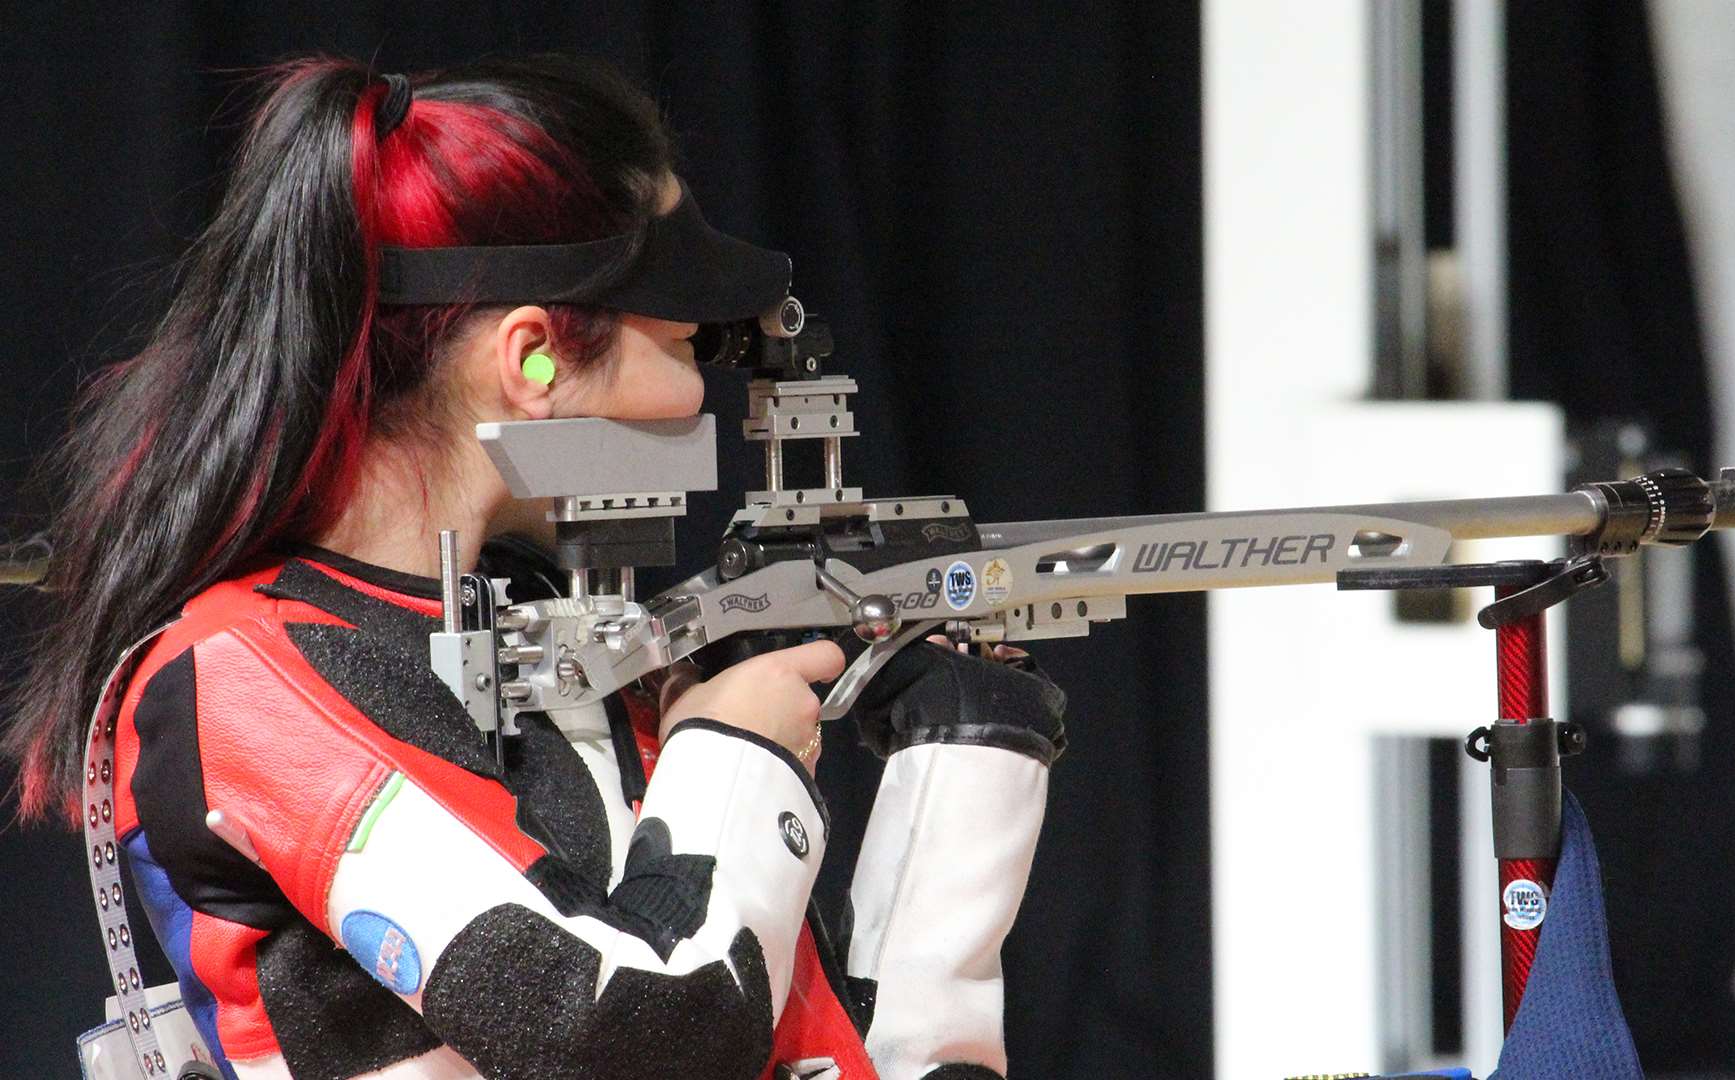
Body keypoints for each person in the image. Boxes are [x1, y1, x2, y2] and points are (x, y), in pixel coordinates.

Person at [5, 57, 1065, 1080]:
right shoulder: (236, 683)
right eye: (688, 344)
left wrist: (965, 768)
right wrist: (737, 755)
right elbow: (636, 1034)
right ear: (533, 362)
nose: (702, 399)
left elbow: (784, 1040)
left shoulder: (570, 646)